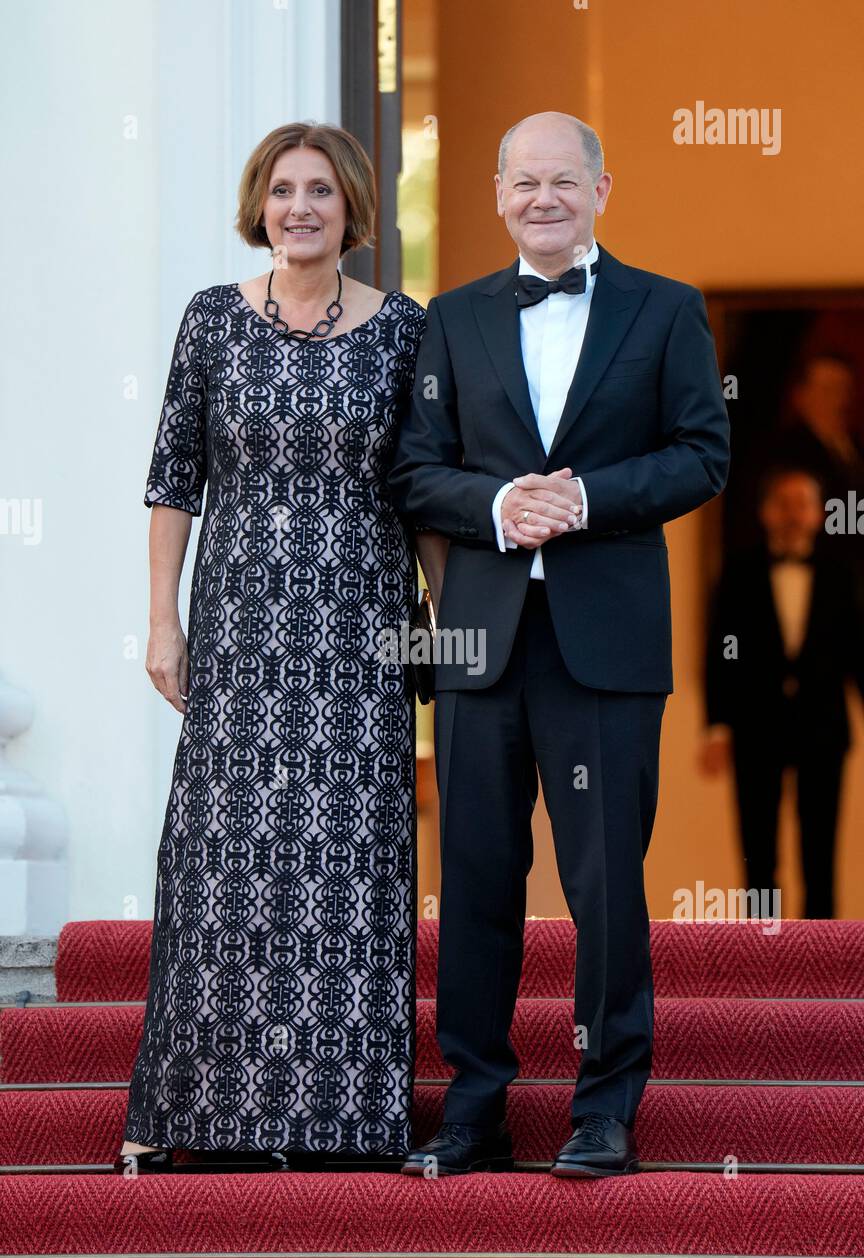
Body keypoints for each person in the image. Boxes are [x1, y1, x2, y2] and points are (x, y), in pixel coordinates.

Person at [387, 111, 730, 1179]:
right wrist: (499, 505)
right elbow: (412, 470)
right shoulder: (449, 319)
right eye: (523, 181)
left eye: (563, 181)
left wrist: (583, 497)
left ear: (600, 188)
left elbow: (701, 455)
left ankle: (605, 1106)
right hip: (483, 636)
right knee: (479, 877)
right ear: (495, 194)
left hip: (608, 644)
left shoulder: (667, 310)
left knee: (605, 885)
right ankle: (476, 1103)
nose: (543, 198)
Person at [116, 121, 442, 1174]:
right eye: (283, 191)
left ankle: (345, 1119)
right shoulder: (211, 322)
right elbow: (174, 480)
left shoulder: (406, 330)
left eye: (321, 192)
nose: (301, 208)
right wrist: (162, 620)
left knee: (349, 862)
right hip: (241, 630)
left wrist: (450, 621)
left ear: (352, 209)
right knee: (225, 862)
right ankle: (203, 1115)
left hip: (361, 629)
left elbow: (426, 489)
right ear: (259, 205)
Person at [701, 466, 864, 919]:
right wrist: (717, 725)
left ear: (818, 514)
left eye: (803, 504)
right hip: (757, 728)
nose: (793, 514)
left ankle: (824, 971)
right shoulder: (739, 572)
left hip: (824, 729)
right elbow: (717, 654)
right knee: (758, 851)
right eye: (784, 504)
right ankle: (760, 959)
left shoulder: (840, 573)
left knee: (820, 853)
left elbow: (857, 654)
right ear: (767, 512)